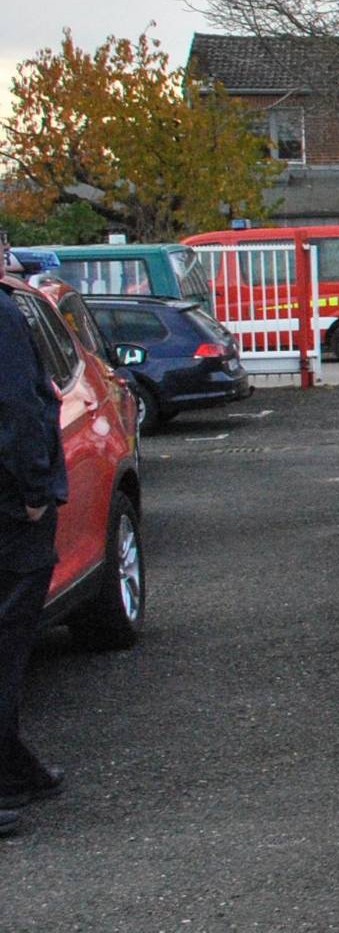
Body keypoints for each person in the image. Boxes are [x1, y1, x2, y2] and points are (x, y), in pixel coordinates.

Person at [0, 283, 69, 838]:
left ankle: (17, 767)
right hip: (8, 502)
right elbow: (21, 404)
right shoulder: (3, 312)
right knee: (8, 639)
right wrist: (34, 487)